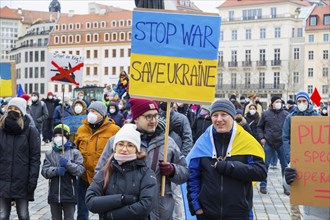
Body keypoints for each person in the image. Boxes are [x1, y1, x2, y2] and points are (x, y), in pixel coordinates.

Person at [96, 98, 189, 220]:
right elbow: (100, 172)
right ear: (136, 118)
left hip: (158, 212)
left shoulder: (167, 143)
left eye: (155, 116)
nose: (153, 120)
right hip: (125, 211)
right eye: (148, 117)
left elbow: (185, 172)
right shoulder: (117, 141)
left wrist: (173, 170)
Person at [186, 99, 266, 219]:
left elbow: (260, 172)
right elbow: (192, 176)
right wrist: (196, 208)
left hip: (239, 213)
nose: (219, 119)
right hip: (207, 213)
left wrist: (230, 167)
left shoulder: (246, 141)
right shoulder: (203, 142)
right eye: (215, 115)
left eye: (223, 115)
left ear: (232, 116)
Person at [85, 124, 158, 219]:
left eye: (130, 145)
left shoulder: (146, 173)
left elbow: (146, 205)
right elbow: (91, 201)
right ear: (115, 147)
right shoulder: (106, 171)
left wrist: (112, 215)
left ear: (136, 150)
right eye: (121, 144)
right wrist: (121, 199)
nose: (124, 149)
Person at [75, 101, 120, 220]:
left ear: (102, 114)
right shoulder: (81, 129)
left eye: (94, 111)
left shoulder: (114, 130)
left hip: (105, 177)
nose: (90, 114)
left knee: (104, 209)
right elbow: (76, 150)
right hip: (84, 176)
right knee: (81, 210)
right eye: (89, 111)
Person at [0, 97, 41, 219]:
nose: (12, 111)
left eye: (16, 109)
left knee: (23, 215)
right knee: (2, 215)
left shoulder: (30, 130)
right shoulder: (1, 129)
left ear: (22, 112)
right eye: (10, 108)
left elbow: (35, 158)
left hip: (22, 181)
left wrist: (32, 180)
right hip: (3, 179)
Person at [282, 91, 321, 220]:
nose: (301, 104)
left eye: (304, 101)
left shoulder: (316, 116)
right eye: (299, 101)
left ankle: (312, 214)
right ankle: (295, 215)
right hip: (296, 156)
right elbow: (285, 138)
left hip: (313, 158)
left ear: (308, 102)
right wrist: (289, 156)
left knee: (311, 184)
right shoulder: (290, 117)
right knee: (293, 185)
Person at [41, 124, 85, 220]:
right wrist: (55, 170)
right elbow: (44, 171)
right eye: (56, 136)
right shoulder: (50, 153)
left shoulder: (75, 152)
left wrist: (68, 164)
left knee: (69, 217)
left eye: (61, 136)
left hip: (69, 194)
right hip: (54, 194)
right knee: (55, 218)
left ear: (66, 137)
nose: (58, 138)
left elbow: (80, 170)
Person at [257, 95, 289, 195]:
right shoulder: (266, 114)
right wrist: (262, 137)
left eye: (280, 101)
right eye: (277, 101)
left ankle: (286, 187)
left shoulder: (286, 114)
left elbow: (289, 129)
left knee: (285, 166)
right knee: (265, 165)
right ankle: (263, 185)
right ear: (272, 103)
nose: (279, 103)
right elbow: (259, 127)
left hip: (281, 143)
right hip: (269, 142)